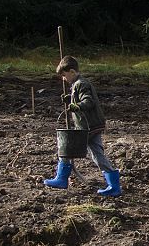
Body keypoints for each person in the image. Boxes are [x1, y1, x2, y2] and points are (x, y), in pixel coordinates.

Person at [43, 56, 122, 196]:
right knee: (95, 154)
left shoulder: (81, 84)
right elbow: (81, 99)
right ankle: (113, 185)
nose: (63, 78)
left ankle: (62, 179)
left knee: (67, 148)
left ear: (72, 72)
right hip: (90, 125)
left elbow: (88, 101)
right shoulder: (77, 84)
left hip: (89, 126)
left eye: (64, 75)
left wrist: (76, 105)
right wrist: (70, 99)